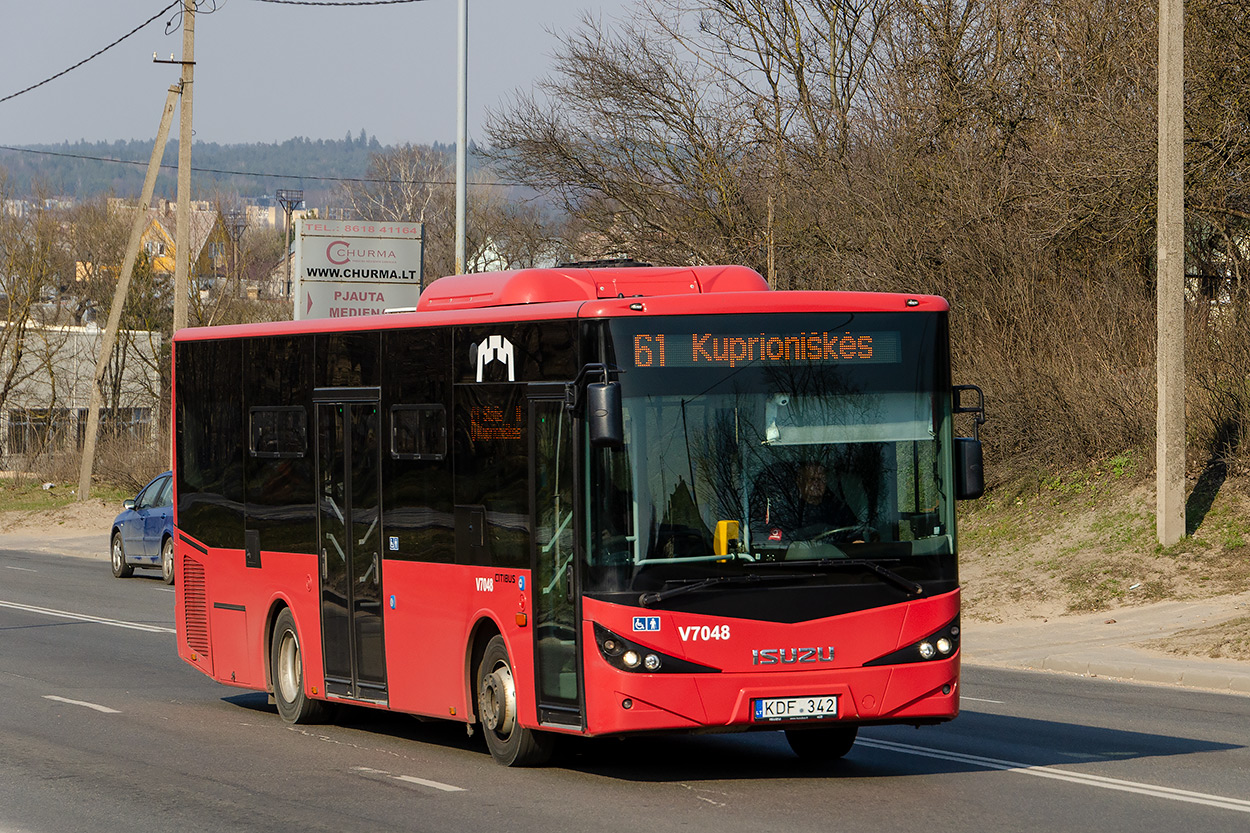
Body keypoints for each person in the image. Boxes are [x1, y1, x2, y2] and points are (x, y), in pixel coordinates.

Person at [752, 461, 858, 540]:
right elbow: (775, 541)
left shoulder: (838, 508)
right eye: (811, 479)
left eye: (821, 479)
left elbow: (854, 534)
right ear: (799, 482)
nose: (816, 483)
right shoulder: (785, 509)